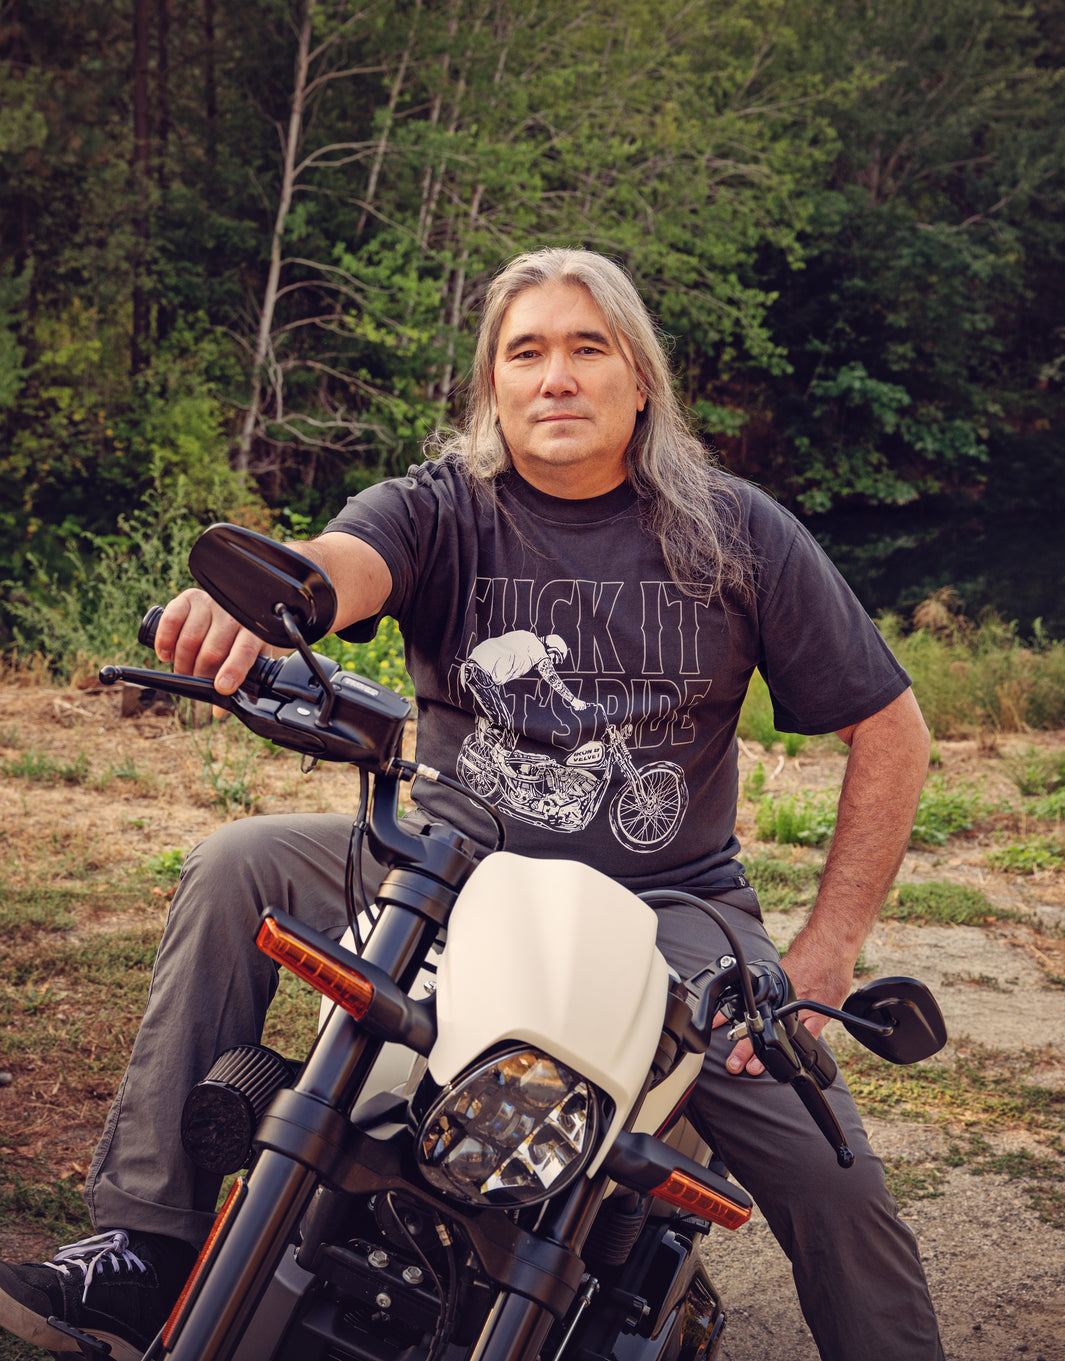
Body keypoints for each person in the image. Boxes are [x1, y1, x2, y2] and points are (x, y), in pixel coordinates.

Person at [0, 248, 943, 1361]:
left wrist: (826, 957)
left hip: (667, 900)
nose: (556, 377)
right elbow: (340, 564)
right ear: (492, 385)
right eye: (525, 351)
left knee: (829, 1170)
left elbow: (892, 730)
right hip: (444, 869)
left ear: (640, 380)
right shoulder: (442, 506)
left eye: (587, 348)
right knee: (237, 861)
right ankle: (145, 1243)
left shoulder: (735, 531)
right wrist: (270, 602)